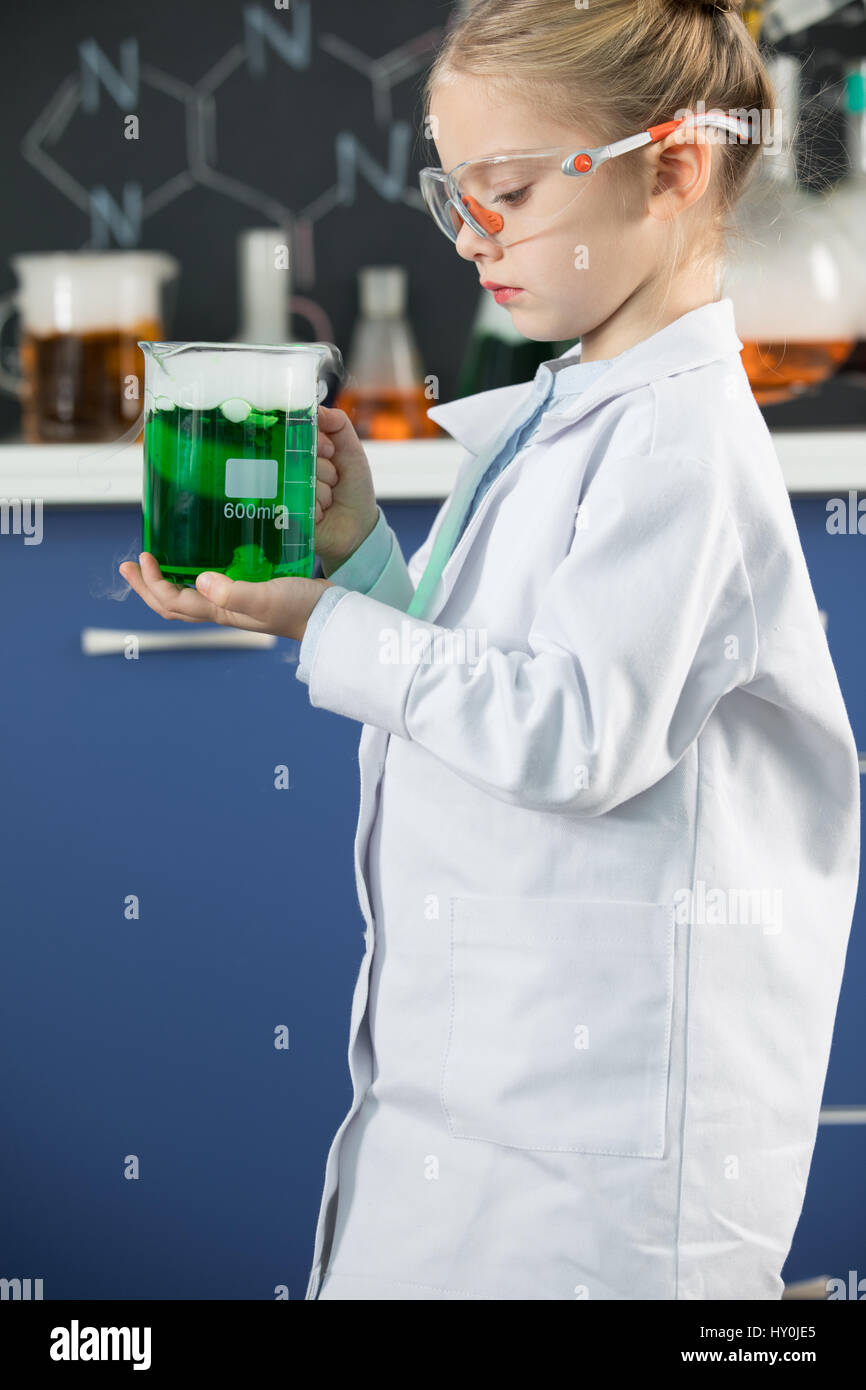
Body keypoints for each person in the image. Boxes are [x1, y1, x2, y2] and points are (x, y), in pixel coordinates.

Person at [120, 0, 861, 1300]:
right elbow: (489, 684)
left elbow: (575, 733)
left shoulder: (677, 440)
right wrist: (358, 558)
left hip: (601, 1170)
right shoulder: (570, 407)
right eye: (450, 194)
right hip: (485, 1106)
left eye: (507, 193)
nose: (470, 235)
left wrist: (321, 624)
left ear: (675, 166)